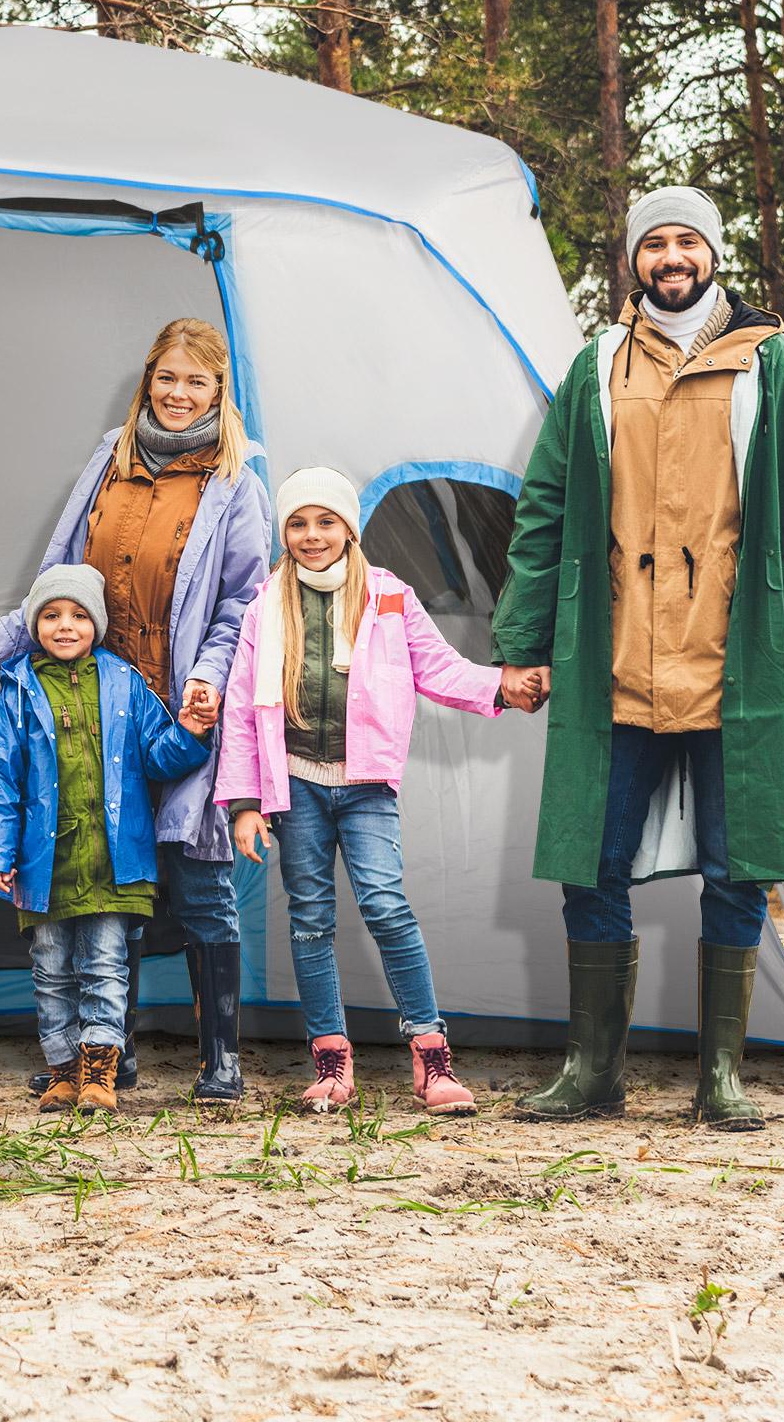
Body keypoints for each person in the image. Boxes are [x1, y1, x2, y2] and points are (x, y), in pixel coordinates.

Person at [497, 187, 784, 1130]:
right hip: (613, 663)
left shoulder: (775, 365)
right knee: (591, 861)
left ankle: (722, 1078)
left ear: (712, 254)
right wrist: (522, 644)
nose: (671, 257)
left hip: (737, 664)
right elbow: (543, 512)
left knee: (739, 866)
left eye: (687, 241)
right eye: (654, 242)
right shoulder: (595, 367)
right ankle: (593, 1072)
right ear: (634, 260)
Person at [0, 317, 271, 1101]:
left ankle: (220, 1060)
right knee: (98, 873)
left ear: (218, 391)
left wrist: (210, 676)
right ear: (147, 379)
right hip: (94, 700)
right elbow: (60, 572)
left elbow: (243, 601)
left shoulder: (238, 482)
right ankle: (109, 1055)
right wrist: (3, 638)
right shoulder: (109, 460)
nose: (178, 393)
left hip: (183, 699)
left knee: (199, 880)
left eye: (195, 381)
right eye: (167, 377)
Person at [215, 469, 541, 1114]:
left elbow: (438, 667)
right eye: (298, 524)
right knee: (310, 919)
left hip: (365, 785)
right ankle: (331, 1063)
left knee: (387, 906)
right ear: (284, 533)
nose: (312, 536)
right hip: (296, 787)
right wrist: (246, 805)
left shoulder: (389, 595)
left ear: (350, 529)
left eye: (326, 522)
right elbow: (243, 710)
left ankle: (431, 1055)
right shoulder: (265, 605)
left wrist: (501, 686)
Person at [0, 564, 213, 1114]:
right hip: (44, 862)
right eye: (52, 615)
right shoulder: (17, 689)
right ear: (34, 626)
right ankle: (63, 1071)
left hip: (113, 859)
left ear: (97, 625)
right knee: (51, 969)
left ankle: (100, 1073)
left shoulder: (125, 682)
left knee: (105, 966)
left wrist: (192, 733)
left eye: (79, 615)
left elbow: (157, 757)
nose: (65, 626)